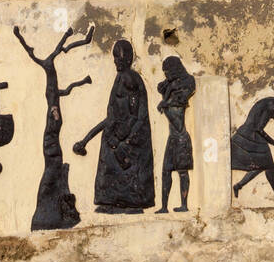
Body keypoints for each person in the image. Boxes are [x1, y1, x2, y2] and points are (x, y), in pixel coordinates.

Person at [73, 40, 155, 213]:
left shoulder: (131, 79)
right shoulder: (120, 78)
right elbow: (112, 115)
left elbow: (136, 115)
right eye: (115, 57)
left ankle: (131, 203)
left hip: (127, 134)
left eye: (118, 58)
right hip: (116, 132)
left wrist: (127, 137)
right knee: (109, 163)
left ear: (127, 59)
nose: (115, 61)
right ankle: (111, 201)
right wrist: (87, 139)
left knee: (125, 165)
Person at [155, 56, 196, 213]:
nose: (166, 75)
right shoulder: (171, 87)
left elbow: (178, 125)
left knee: (182, 172)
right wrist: (169, 88)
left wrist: (166, 105)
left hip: (180, 137)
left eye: (167, 71)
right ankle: (164, 206)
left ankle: (184, 205)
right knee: (166, 171)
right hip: (173, 138)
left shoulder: (182, 92)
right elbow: (162, 87)